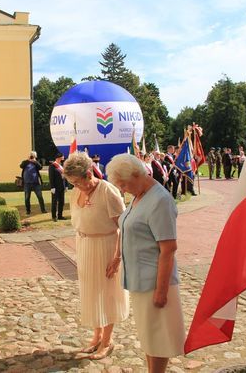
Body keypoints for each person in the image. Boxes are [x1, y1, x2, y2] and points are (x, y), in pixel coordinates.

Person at [106, 153, 185, 373]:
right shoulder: (139, 194)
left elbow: (168, 249)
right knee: (149, 336)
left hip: (154, 282)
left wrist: (161, 291)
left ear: (136, 175)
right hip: (139, 280)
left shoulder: (159, 200)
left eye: (123, 184)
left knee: (159, 338)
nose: (122, 189)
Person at [63, 152, 129, 360]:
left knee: (108, 292)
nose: (75, 186)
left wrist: (117, 257)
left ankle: (107, 341)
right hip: (85, 245)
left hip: (107, 246)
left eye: (77, 182)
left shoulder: (108, 192)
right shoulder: (76, 192)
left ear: (89, 173)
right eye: (72, 183)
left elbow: (123, 227)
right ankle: (97, 335)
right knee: (91, 291)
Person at [48, 153, 66, 221]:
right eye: (62, 157)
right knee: (54, 202)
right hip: (55, 188)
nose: (63, 158)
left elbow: (64, 176)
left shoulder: (61, 166)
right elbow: (51, 177)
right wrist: (52, 187)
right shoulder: (52, 166)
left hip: (62, 187)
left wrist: (66, 186)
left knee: (62, 202)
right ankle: (54, 217)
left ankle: (60, 216)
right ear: (58, 158)